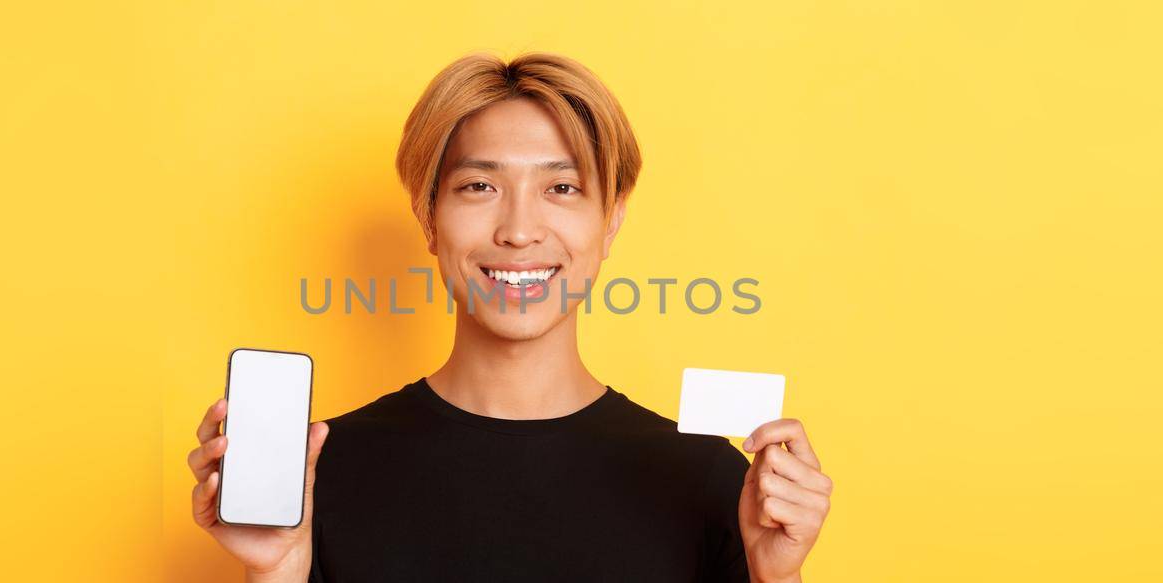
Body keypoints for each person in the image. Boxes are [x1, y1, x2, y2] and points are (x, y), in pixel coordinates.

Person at [187, 52, 832, 582]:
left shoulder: (714, 483)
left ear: (610, 222)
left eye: (562, 188)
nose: (520, 231)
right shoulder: (314, 482)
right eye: (479, 186)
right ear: (427, 217)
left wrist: (776, 576)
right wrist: (278, 571)